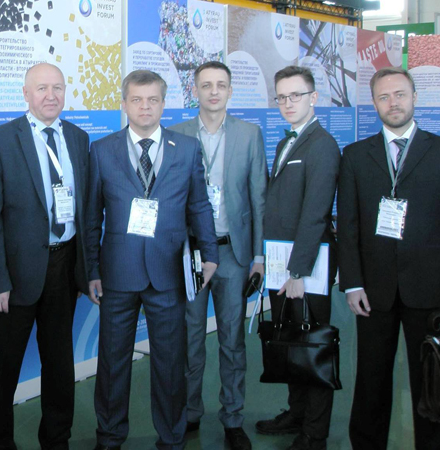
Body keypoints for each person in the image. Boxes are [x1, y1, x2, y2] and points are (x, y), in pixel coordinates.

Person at [85, 69, 219, 450]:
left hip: (168, 271)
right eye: (137, 100)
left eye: (153, 100)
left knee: (170, 363)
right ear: (124, 104)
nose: (145, 107)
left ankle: (172, 437)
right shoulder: (102, 150)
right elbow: (92, 216)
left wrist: (209, 254)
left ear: (163, 104)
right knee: (112, 363)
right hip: (118, 273)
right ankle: (110, 436)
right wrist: (91, 270)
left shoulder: (187, 148)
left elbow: (199, 205)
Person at [338, 67, 440, 450]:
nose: (392, 103)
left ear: (414, 98)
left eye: (399, 94)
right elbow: (348, 226)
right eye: (384, 96)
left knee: (430, 377)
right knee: (371, 378)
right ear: (374, 103)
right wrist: (352, 282)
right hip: (373, 290)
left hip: (430, 288)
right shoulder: (356, 156)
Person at [0, 62, 90, 450]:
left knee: (59, 364)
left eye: (57, 87)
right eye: (41, 88)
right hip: (14, 275)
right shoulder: (0, 141)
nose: (50, 95)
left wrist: (82, 270)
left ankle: (56, 439)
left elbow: (85, 212)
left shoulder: (78, 138)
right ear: (25, 94)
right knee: (4, 370)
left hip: (63, 266)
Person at [169, 61, 267, 450]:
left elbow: (259, 199)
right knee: (190, 340)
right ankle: (190, 412)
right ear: (194, 90)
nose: (213, 92)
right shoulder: (176, 134)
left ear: (230, 91)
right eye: (206, 85)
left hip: (233, 255)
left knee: (232, 341)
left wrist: (258, 256)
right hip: (191, 255)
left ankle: (233, 418)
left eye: (221, 85)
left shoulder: (249, 134)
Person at [254, 66, 340, 450]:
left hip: (305, 265)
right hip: (280, 261)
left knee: (314, 344)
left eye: (296, 95)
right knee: (290, 339)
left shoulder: (322, 145)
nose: (288, 103)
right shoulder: (286, 142)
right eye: (282, 97)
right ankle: (296, 413)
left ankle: (314, 433)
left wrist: (298, 271)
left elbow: (316, 213)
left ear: (313, 97)